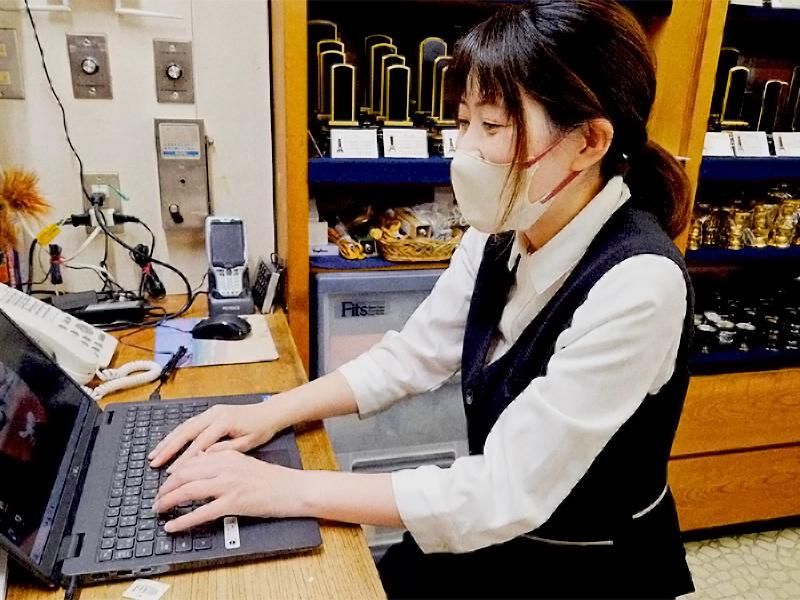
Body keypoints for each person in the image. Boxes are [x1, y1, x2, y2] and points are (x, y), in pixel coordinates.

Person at [148, 1, 695, 597]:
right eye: (463, 122)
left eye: (493, 127)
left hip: (590, 564)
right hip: (493, 531)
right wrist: (268, 412)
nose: (467, 150)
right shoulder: (504, 229)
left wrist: (286, 489)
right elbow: (412, 355)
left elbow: (503, 491)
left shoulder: (639, 285)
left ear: (589, 141)